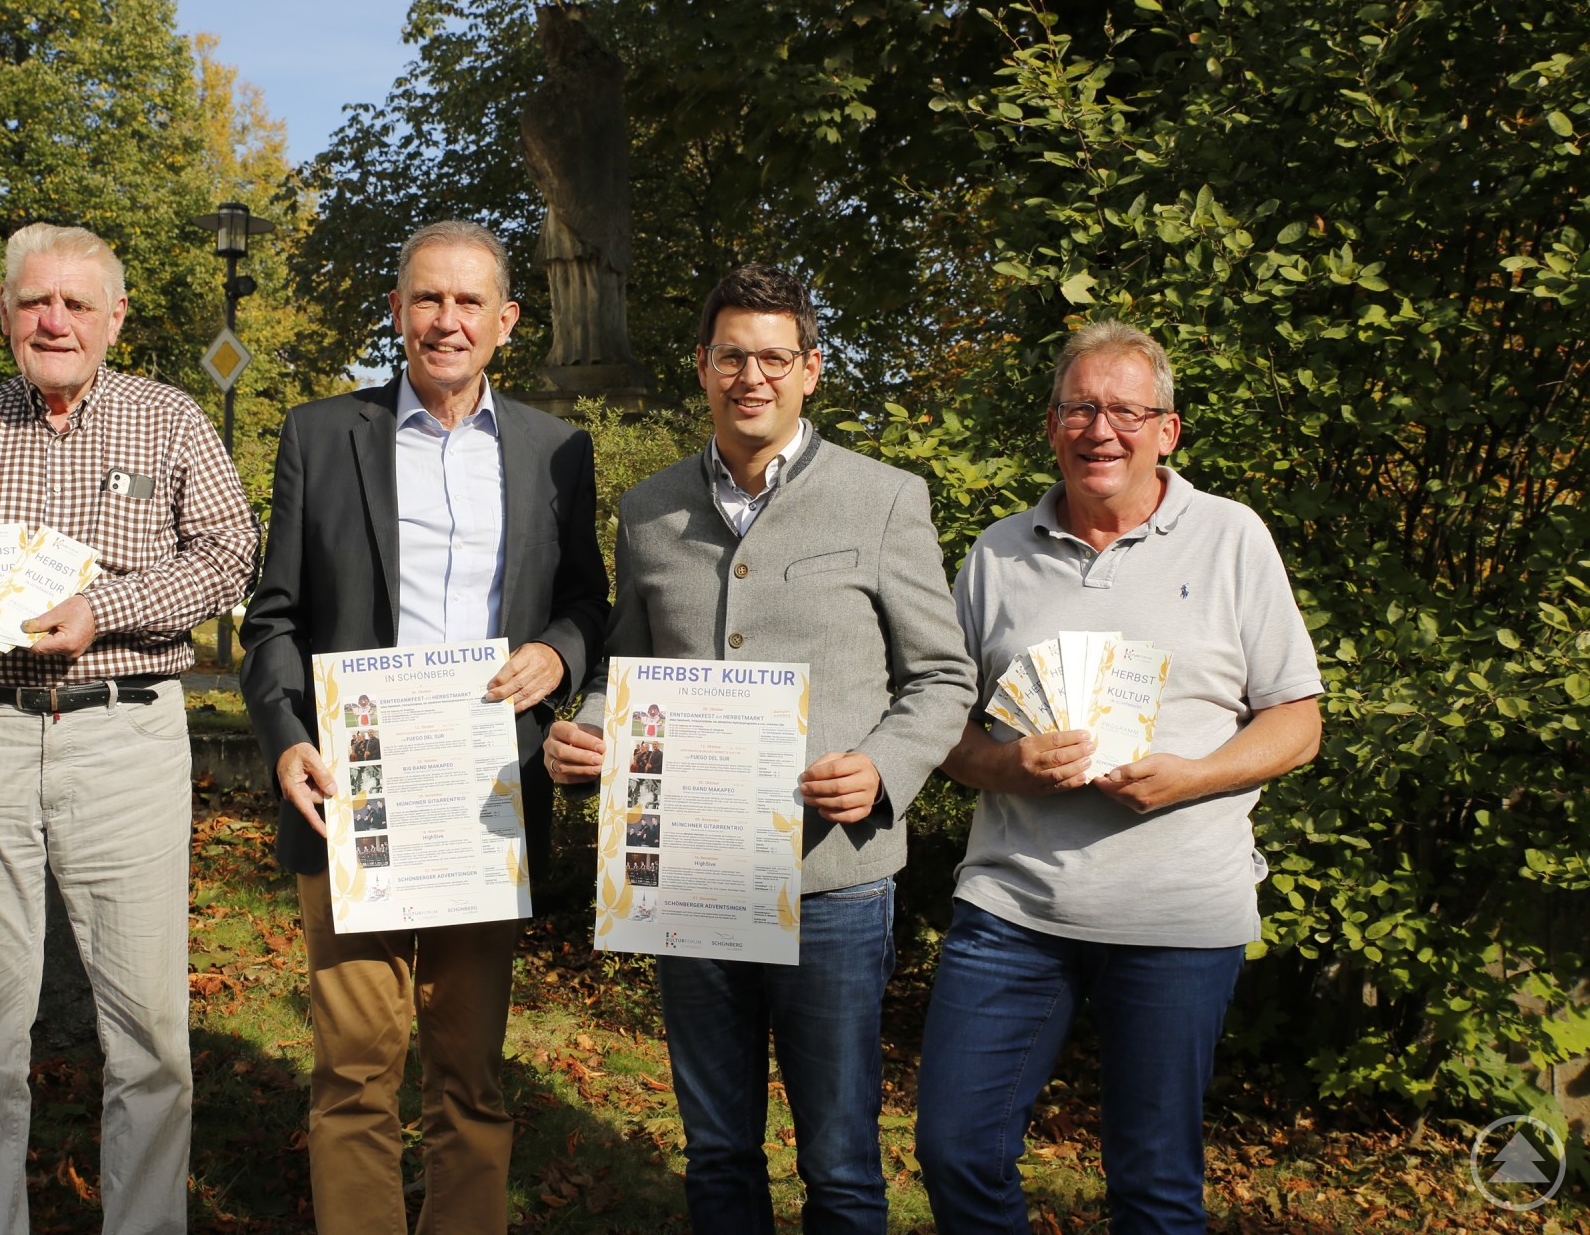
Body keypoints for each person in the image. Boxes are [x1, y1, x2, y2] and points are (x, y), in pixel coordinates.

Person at [546, 262, 976, 1233]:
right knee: (719, 1152)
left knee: (841, 1161)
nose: (753, 376)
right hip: (689, 874)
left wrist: (883, 769)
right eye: (733, 355)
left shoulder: (884, 498)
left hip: (832, 877)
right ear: (701, 365)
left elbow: (944, 677)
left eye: (774, 357)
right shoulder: (648, 510)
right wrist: (587, 729)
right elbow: (627, 667)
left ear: (812, 368)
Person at [0, 222, 258, 1234]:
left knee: (149, 1034)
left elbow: (230, 557)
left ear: (114, 318)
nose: (55, 320)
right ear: (6, 314)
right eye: (36, 302)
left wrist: (108, 606)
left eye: (78, 304)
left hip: (124, 739)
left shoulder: (171, 422)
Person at [239, 220, 610, 1234]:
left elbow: (588, 601)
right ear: (397, 311)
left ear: (506, 320)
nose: (448, 321)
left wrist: (560, 655)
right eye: (427, 299)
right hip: (352, 792)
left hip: (486, 800)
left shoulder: (554, 450)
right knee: (355, 1069)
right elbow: (273, 619)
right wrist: (284, 737)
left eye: (469, 302)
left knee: (470, 1071)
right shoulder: (321, 434)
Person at [914, 321, 1323, 1234]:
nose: (1103, 430)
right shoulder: (997, 552)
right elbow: (943, 727)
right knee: (956, 1151)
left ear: (1167, 430)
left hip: (1178, 916)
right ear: (1052, 425)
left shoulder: (1231, 539)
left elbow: (1299, 723)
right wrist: (1006, 766)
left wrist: (1197, 777)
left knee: (1153, 1183)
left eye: (1126, 412)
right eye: (1080, 409)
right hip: (1014, 909)